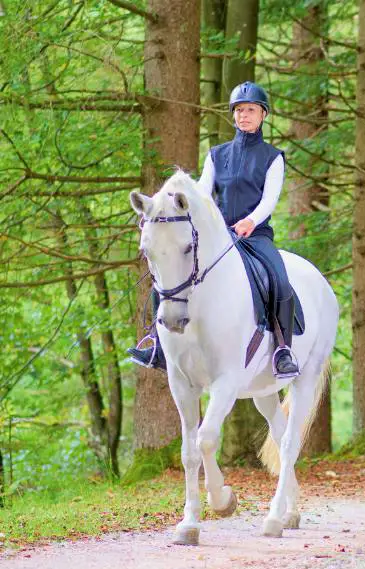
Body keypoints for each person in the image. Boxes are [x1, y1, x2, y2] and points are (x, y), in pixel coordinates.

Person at [127, 81, 300, 378]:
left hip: (255, 236)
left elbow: (270, 199)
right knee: (168, 273)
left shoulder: (273, 158)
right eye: (239, 110)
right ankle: (157, 344)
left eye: (250, 110)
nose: (244, 115)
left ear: (263, 115)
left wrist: (250, 221)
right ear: (233, 115)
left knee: (279, 280)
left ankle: (283, 349)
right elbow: (203, 194)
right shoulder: (217, 155)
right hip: (220, 238)